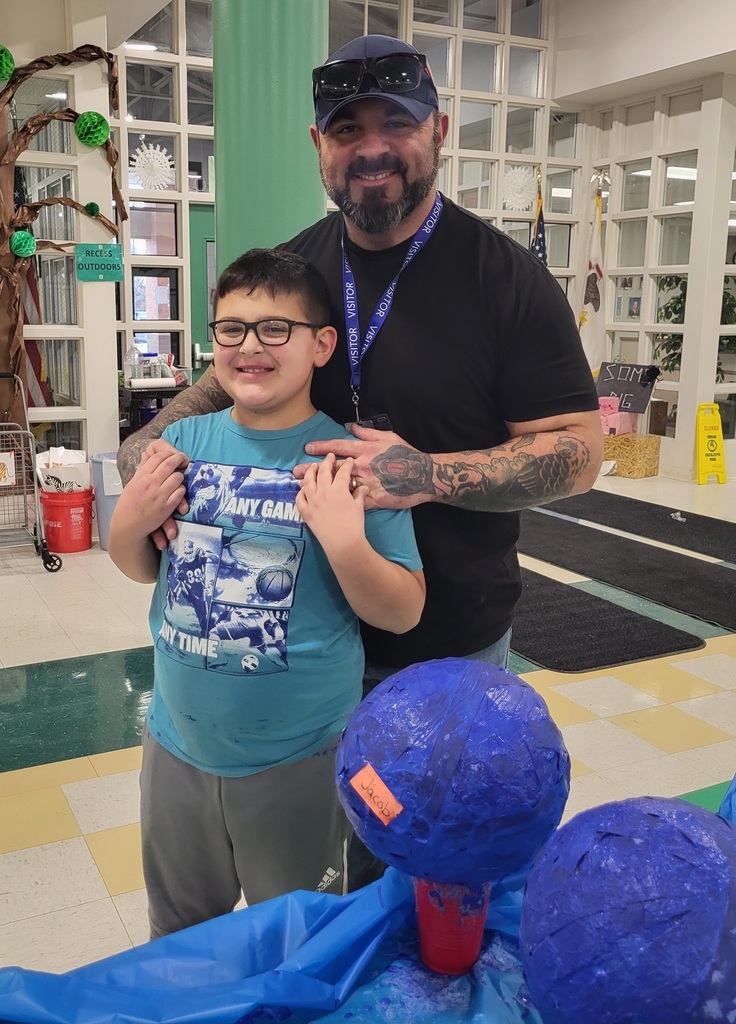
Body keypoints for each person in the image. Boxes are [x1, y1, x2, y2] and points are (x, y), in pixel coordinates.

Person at [117, 33, 602, 885]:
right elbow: (218, 389)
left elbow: (578, 452)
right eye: (347, 130)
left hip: (447, 639)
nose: (372, 147)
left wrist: (423, 474)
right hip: (307, 645)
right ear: (319, 146)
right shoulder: (299, 265)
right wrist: (142, 462)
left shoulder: (507, 280)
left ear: (439, 131)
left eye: (396, 124)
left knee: (436, 866)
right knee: (326, 881)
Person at [108, 247, 425, 936]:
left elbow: (404, 611)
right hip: (175, 746)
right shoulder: (183, 442)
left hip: (302, 760)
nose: (250, 346)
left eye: (275, 328)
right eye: (232, 328)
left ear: (320, 345)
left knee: (305, 942)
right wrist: (125, 525)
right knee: (181, 937)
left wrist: (345, 543)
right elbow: (142, 568)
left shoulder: (349, 461)